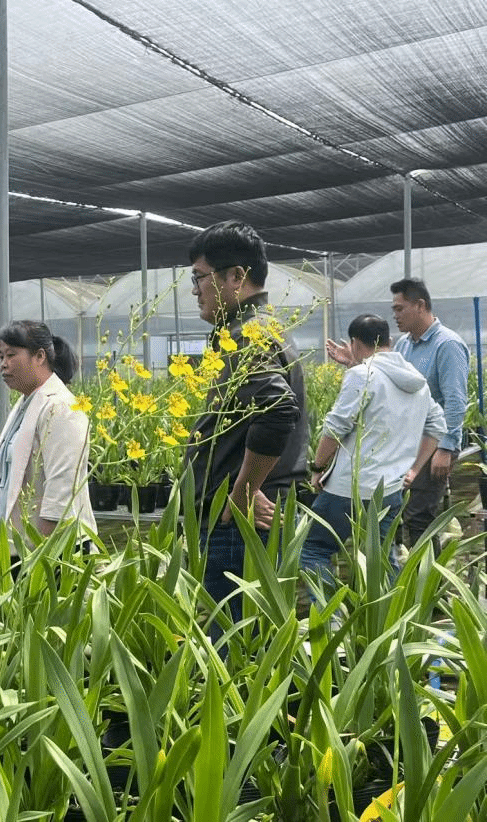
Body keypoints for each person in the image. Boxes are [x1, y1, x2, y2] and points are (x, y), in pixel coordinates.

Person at [184, 221, 308, 625]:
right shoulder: (261, 329)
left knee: (236, 643)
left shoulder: (246, 335)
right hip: (248, 519)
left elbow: (277, 408)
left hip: (240, 524)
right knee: (256, 639)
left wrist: (242, 493)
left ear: (236, 276)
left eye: (199, 278)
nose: (195, 290)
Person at [303, 314, 445, 590]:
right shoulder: (416, 381)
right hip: (389, 489)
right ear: (389, 340)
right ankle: (390, 615)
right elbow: (437, 426)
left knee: (313, 548)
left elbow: (335, 427)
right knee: (379, 559)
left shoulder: (362, 375)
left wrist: (318, 468)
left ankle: (331, 613)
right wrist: (414, 469)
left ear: (355, 343)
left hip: (349, 487)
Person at [329, 278, 468, 552]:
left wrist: (446, 447)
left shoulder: (448, 345)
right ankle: (395, 576)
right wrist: (355, 363)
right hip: (400, 444)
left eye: (399, 308)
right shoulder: (404, 345)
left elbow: (455, 401)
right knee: (392, 516)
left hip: (430, 444)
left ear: (420, 305)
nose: (395, 315)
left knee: (420, 518)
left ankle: (428, 579)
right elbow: (385, 383)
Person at [0, 320, 96, 555]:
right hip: (21, 547)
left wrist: (41, 552)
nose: (3, 364)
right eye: (1, 356)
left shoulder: (62, 407)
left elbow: (63, 486)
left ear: (39, 356)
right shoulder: (26, 403)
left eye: (11, 355)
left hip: (54, 549)